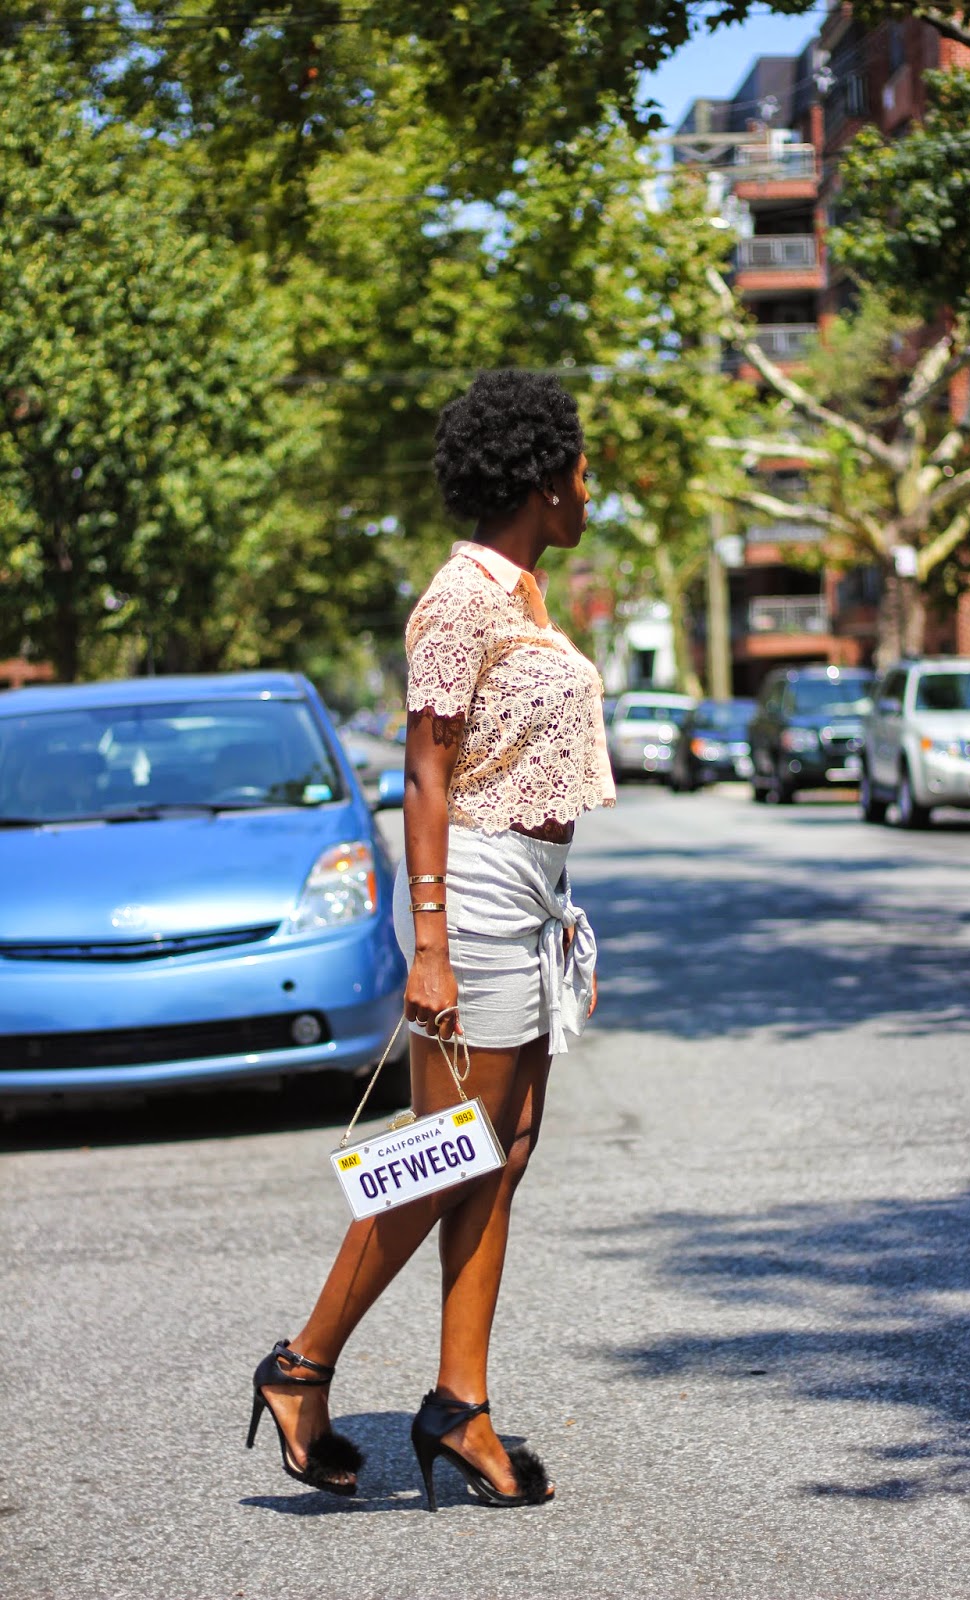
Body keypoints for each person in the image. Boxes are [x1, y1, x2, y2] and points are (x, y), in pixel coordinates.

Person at [247, 369, 616, 1511]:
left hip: (532, 892)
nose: (591, 487)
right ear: (544, 480)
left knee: (505, 1148)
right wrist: (432, 942)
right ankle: (300, 1366)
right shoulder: (459, 600)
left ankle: (461, 1401)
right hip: (482, 888)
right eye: (583, 469)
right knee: (449, 1148)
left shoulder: (526, 596)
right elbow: (423, 773)